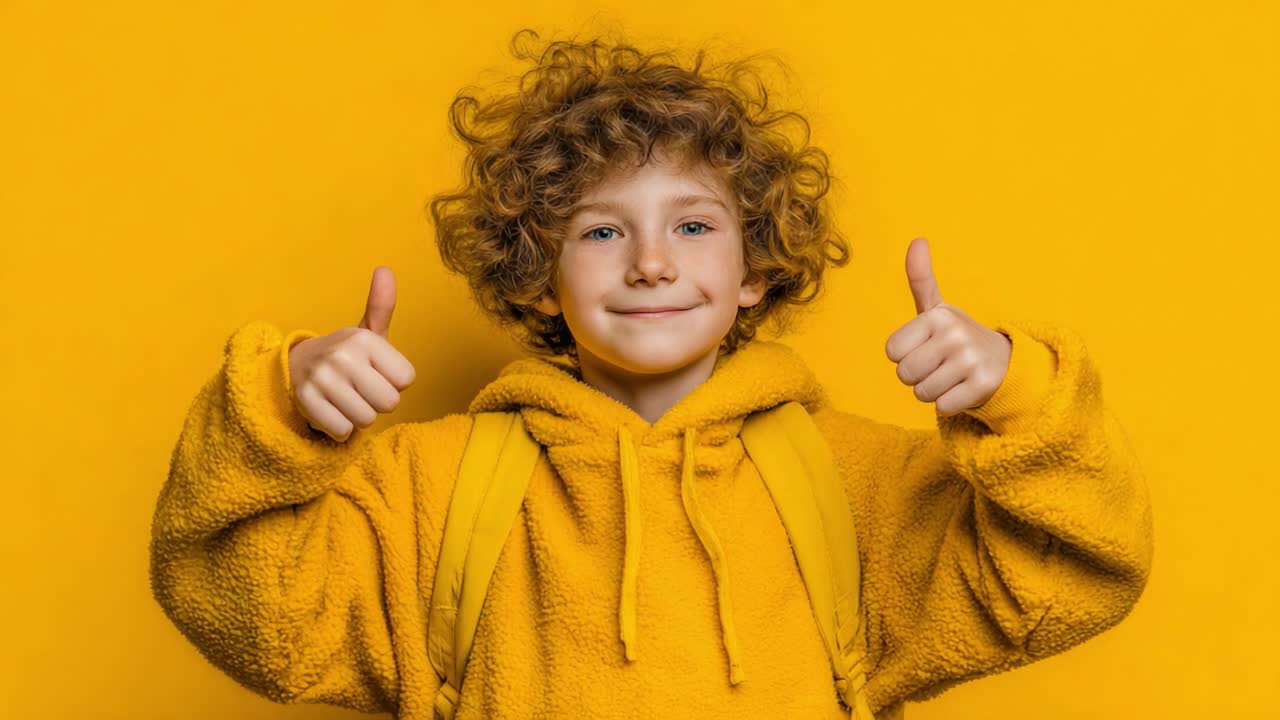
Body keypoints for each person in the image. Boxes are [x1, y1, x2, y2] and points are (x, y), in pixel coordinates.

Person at [149, 29, 1154, 720]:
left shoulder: (858, 488)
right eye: (597, 230)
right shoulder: (425, 489)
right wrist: (281, 412)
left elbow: (1074, 573)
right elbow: (247, 611)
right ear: (537, 279)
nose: (651, 262)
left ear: (755, 268)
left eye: (691, 224)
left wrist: (1015, 396)